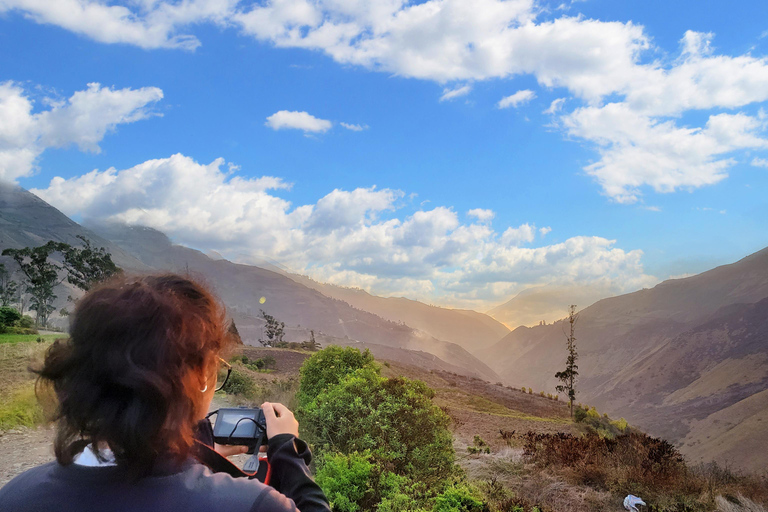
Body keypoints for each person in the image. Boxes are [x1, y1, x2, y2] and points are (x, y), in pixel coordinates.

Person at [0, 274, 330, 512]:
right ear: (202, 374)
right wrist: (288, 451)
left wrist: (198, 454)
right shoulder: (250, 504)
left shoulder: (15, 496)